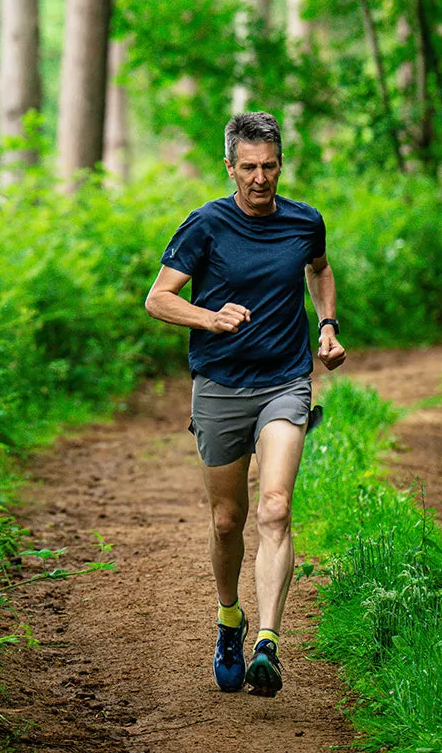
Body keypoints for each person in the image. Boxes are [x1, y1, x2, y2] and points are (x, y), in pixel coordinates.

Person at [144, 110, 346, 697]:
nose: (260, 178)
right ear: (230, 167)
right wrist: (209, 317)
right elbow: (158, 299)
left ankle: (268, 643)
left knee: (276, 507)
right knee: (227, 520)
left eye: (270, 166)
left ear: (282, 165)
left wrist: (327, 325)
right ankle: (229, 618)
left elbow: (319, 268)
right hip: (220, 386)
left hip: (285, 380)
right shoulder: (206, 225)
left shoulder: (306, 221)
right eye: (249, 168)